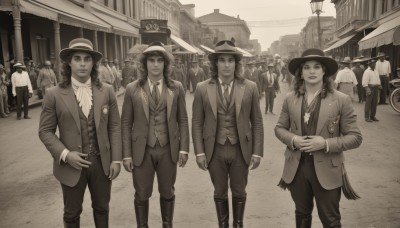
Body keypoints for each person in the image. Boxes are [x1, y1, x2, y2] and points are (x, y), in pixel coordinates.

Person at [38, 38, 122, 227]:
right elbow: (45, 131)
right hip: (70, 165)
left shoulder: (107, 91)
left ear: (93, 63)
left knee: (102, 208)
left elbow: (115, 126)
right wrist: (66, 155)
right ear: (69, 62)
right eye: (77, 58)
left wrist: (116, 159)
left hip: (101, 163)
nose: (82, 63)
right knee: (72, 213)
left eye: (87, 59)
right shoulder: (54, 94)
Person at [275, 48, 362, 228]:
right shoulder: (290, 98)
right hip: (297, 168)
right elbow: (279, 128)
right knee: (302, 215)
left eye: (316, 67)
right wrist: (293, 140)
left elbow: (355, 137)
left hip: (327, 169)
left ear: (324, 71)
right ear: (301, 73)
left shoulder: (341, 99)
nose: (312, 71)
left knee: (330, 220)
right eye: (306, 67)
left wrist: (325, 143)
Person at [192, 40, 264, 228]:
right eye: (222, 60)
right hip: (214, 149)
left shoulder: (250, 87)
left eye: (230, 60)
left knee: (239, 191)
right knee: (219, 191)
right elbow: (197, 122)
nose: (226, 64)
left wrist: (257, 152)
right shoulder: (202, 88)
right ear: (215, 64)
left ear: (236, 64)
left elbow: (256, 122)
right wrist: (199, 152)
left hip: (241, 148)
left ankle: (238, 224)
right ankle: (222, 224)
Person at [121, 42, 189, 228]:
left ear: (166, 64)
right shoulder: (132, 89)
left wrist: (184, 149)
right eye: (151, 60)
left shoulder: (176, 88)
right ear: (145, 64)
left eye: (160, 60)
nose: (156, 64)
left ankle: (167, 224)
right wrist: (126, 154)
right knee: (142, 192)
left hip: (168, 148)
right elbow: (126, 123)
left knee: (167, 191)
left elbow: (182, 120)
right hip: (141, 149)